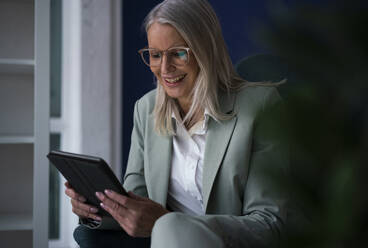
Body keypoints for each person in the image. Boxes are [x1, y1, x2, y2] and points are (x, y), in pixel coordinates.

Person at [65, 0, 289, 247]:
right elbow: (136, 202)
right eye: (155, 55)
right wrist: (96, 207)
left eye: (179, 53)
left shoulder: (260, 105)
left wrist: (169, 222)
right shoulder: (146, 109)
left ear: (207, 49)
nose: (165, 68)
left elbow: (270, 223)